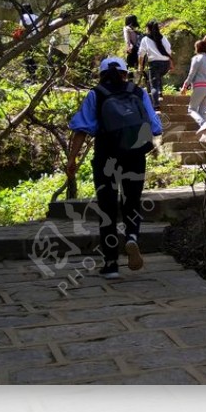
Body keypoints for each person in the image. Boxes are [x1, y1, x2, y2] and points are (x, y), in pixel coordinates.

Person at [68, 57, 162, 278]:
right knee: (132, 201)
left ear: (101, 75)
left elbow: (82, 129)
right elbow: (155, 127)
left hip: (106, 158)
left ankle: (111, 264)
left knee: (107, 208)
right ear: (124, 73)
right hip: (135, 156)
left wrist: (71, 160)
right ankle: (131, 237)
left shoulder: (96, 94)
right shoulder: (138, 93)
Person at [181, 39, 206, 138]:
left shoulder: (196, 58)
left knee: (191, 109)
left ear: (197, 48)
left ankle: (203, 124)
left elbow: (192, 74)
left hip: (200, 87)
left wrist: (185, 86)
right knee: (201, 112)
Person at [137, 20, 174, 109]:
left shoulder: (145, 39)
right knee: (158, 77)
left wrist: (140, 66)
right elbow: (169, 51)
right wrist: (171, 63)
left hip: (154, 64)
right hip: (165, 64)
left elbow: (141, 54)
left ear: (148, 29)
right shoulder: (163, 38)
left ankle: (156, 106)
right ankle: (160, 93)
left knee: (153, 85)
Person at [20, 3, 40, 80]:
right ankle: (35, 75)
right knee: (33, 57)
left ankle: (31, 76)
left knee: (28, 58)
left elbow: (21, 29)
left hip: (27, 40)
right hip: (37, 39)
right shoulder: (37, 17)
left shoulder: (24, 17)